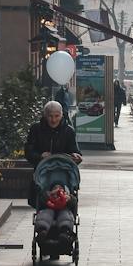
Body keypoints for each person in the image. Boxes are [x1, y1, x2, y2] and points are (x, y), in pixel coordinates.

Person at [24, 101, 82, 242]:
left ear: (62, 115)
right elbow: (29, 151)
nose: (53, 119)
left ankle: (63, 233)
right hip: (43, 177)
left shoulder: (68, 131)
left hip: (64, 175)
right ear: (45, 116)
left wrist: (75, 156)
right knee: (44, 209)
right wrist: (39, 156)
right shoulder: (36, 129)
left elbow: (75, 150)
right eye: (50, 116)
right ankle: (44, 233)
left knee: (65, 212)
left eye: (57, 116)